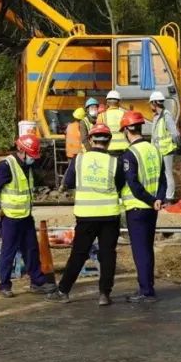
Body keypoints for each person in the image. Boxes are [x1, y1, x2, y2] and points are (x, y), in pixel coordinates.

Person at [47, 124, 121, 306]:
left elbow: (70, 182)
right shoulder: (115, 162)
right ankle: (104, 294)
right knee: (108, 255)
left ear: (91, 140)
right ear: (109, 141)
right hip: (110, 216)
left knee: (79, 254)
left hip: (86, 216)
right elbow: (120, 185)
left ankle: (63, 290)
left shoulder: (79, 160)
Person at [0, 134, 58, 299]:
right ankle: (4, 285)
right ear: (22, 151)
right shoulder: (6, 166)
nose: (33, 159)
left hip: (25, 216)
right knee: (8, 252)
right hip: (11, 218)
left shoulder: (27, 167)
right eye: (31, 156)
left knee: (31, 250)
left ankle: (37, 281)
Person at [119, 109, 166, 303]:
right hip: (152, 209)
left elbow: (134, 185)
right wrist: (158, 200)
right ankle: (148, 287)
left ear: (126, 131)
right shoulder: (155, 149)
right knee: (148, 248)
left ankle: (146, 290)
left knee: (141, 251)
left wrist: (149, 200)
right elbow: (163, 179)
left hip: (138, 208)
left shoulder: (130, 154)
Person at [149, 91, 180, 201]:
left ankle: (169, 198)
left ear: (155, 103)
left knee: (168, 174)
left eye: (151, 103)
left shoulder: (166, 115)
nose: (150, 106)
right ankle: (162, 196)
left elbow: (175, 133)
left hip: (166, 150)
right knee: (161, 174)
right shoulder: (157, 117)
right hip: (158, 151)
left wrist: (176, 144)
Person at [98, 90, 129, 155]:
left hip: (108, 148)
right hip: (124, 148)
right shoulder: (125, 114)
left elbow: (99, 134)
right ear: (119, 102)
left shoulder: (101, 116)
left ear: (107, 102)